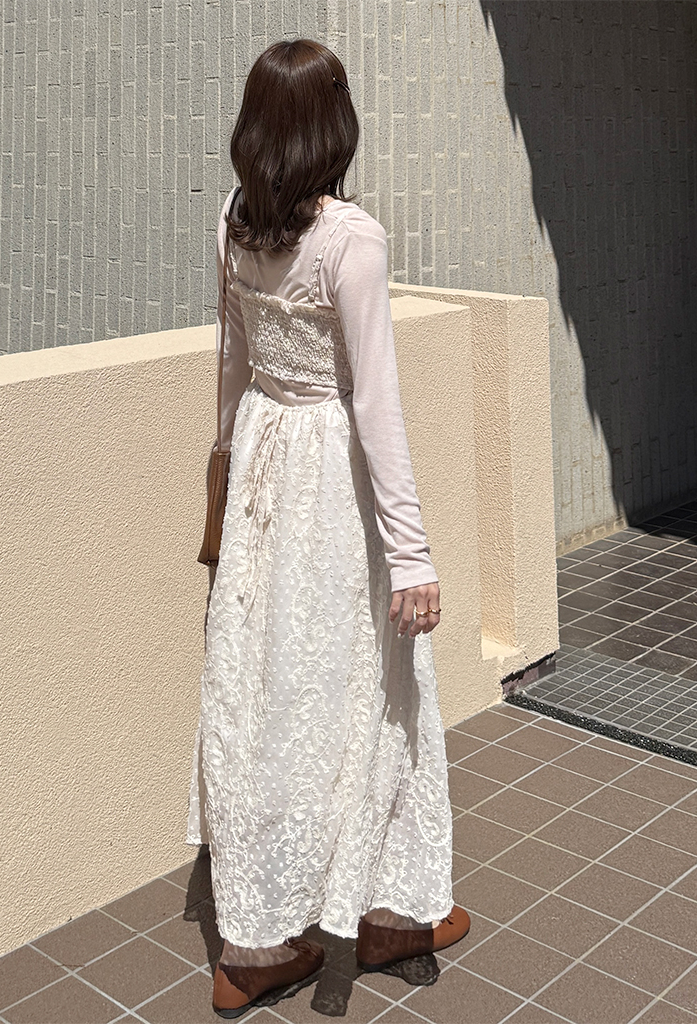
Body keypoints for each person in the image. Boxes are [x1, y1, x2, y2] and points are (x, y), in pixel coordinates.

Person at [186, 39, 470, 1019]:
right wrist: (412, 556)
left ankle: (256, 943)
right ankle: (384, 914)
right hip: (330, 482)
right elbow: (376, 404)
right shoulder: (352, 239)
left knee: (264, 692)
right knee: (371, 691)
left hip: (265, 463)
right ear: (333, 127)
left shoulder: (234, 221)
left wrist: (227, 478)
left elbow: (231, 363)